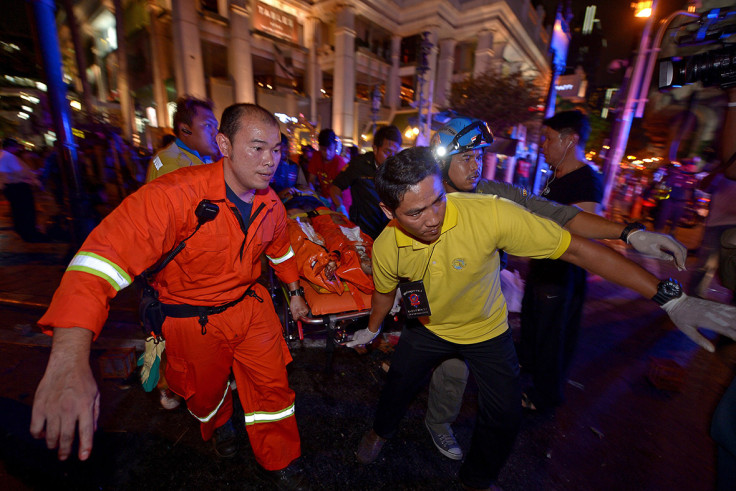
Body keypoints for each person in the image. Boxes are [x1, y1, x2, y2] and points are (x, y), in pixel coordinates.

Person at [349, 146, 736, 490]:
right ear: (389, 212)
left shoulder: (489, 214)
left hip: (486, 331)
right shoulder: (387, 246)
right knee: (396, 387)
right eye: (416, 212)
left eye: (437, 201)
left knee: (504, 417)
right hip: (428, 329)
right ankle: (380, 432)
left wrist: (670, 298)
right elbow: (385, 292)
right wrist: (371, 328)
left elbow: (576, 251)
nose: (432, 218)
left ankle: (477, 480)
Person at [30, 104, 310, 490]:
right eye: (258, 148)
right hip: (192, 324)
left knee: (275, 390)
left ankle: (279, 458)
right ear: (224, 144)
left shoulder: (272, 204)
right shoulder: (174, 195)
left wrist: (294, 291)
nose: (270, 162)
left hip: (251, 309)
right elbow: (98, 260)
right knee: (206, 395)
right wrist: (67, 357)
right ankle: (219, 425)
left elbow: (280, 251)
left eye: (277, 149)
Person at [417, 115, 687, 461]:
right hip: (439, 313)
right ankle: (424, 424)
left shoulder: (494, 194)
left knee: (502, 402)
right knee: (443, 378)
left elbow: (556, 214)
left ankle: (479, 474)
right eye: (467, 157)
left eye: (480, 156)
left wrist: (630, 233)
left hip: (485, 317)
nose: (477, 166)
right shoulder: (425, 198)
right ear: (442, 160)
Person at [519, 110, 604, 413]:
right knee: (533, 325)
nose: (543, 145)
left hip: (562, 273)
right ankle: (527, 374)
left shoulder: (586, 181)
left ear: (571, 140)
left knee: (552, 337)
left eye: (549, 138)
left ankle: (546, 396)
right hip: (543, 268)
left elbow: (582, 230)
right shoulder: (555, 176)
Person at [329, 125, 402, 239]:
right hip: (361, 232)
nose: (391, 158)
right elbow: (335, 188)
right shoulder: (359, 165)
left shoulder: (398, 170)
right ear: (375, 148)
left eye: (395, 153)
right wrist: (340, 208)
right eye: (387, 152)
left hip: (388, 233)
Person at [145, 96, 220, 182]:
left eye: (216, 126)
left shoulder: (204, 159)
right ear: (185, 130)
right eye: (208, 125)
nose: (216, 133)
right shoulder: (170, 165)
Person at [0, 137, 46, 242]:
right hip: (18, 187)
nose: (17, 149)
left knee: (17, 211)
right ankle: (30, 234)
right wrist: (35, 174)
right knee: (26, 211)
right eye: (15, 146)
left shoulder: (2, 155)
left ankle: (23, 231)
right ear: (11, 147)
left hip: (9, 187)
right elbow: (20, 172)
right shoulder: (9, 156)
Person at [653, 159, 699, 236]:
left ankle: (670, 237)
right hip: (670, 200)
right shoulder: (674, 173)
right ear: (686, 166)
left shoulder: (692, 178)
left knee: (675, 221)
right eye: (691, 166)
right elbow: (667, 182)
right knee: (663, 218)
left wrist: (694, 204)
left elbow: (692, 191)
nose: (693, 168)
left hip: (681, 202)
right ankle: (657, 234)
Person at [307, 128, 350, 211]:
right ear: (319, 147)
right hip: (325, 199)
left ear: (335, 146)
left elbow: (338, 189)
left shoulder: (339, 163)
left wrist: (328, 201)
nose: (327, 153)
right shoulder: (316, 157)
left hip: (341, 201)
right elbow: (311, 180)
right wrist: (312, 195)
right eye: (323, 149)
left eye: (330, 149)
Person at [271, 133, 311, 201]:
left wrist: (299, 190)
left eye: (285, 146)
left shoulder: (294, 167)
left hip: (291, 201)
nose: (284, 149)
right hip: (274, 203)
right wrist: (279, 195)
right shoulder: (269, 166)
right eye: (279, 147)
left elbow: (302, 186)